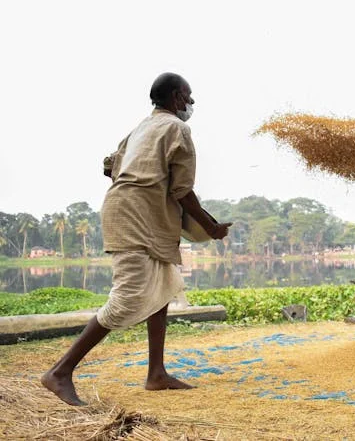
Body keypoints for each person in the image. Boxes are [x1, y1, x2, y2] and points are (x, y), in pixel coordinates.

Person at [41, 72, 232, 406]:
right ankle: (60, 372)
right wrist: (211, 228)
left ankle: (156, 374)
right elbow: (182, 190)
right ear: (175, 98)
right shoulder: (177, 129)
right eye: (188, 96)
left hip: (146, 213)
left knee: (163, 288)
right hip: (134, 215)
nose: (191, 103)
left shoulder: (142, 127)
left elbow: (109, 167)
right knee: (127, 299)